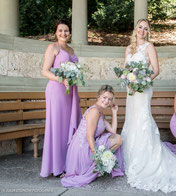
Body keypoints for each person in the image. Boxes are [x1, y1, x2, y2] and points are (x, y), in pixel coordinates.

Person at [121, 19, 176, 193]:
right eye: (140, 27)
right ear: (135, 29)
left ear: (148, 32)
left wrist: (142, 81)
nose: (142, 30)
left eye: (145, 28)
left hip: (143, 89)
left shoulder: (149, 47)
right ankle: (132, 157)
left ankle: (146, 158)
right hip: (131, 90)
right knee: (132, 120)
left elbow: (156, 70)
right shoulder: (128, 49)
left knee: (142, 118)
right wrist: (127, 79)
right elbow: (124, 69)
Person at [40, 19, 81, 177]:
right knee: (57, 126)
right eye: (60, 30)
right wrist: (61, 79)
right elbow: (44, 71)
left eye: (66, 31)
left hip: (70, 91)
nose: (63, 33)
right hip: (56, 90)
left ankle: (68, 162)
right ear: (55, 33)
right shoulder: (53, 47)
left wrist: (74, 78)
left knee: (68, 126)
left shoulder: (71, 50)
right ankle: (56, 166)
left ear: (70, 33)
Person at [61, 85, 124, 187]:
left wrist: (114, 113)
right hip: (82, 148)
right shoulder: (94, 111)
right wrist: (98, 157)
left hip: (88, 144)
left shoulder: (100, 112)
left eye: (109, 99)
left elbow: (113, 131)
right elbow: (89, 137)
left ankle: (98, 166)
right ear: (98, 96)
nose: (106, 101)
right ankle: (94, 166)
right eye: (104, 97)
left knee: (117, 138)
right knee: (118, 139)